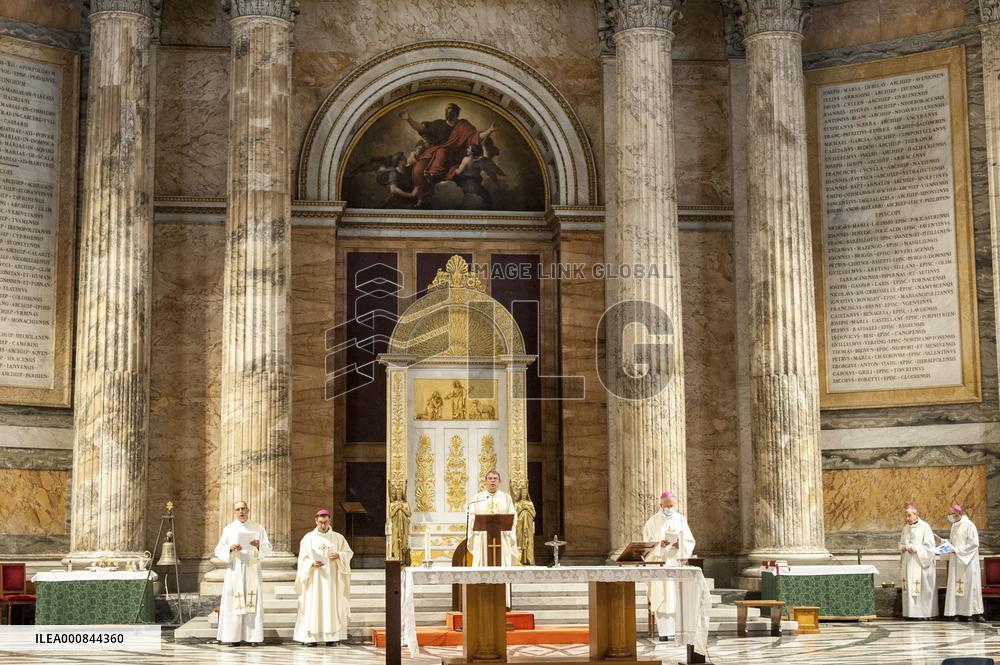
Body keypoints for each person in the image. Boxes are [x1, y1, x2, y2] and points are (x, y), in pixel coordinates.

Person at [214, 500, 272, 646]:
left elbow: (268, 547)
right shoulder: (229, 529)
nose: (241, 511)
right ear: (235, 512)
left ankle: (253, 638)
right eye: (238, 509)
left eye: (243, 509)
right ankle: (233, 638)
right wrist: (231, 548)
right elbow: (219, 549)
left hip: (252, 567)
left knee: (253, 601)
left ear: (248, 510)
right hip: (236, 569)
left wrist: (259, 545)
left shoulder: (258, 528)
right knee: (235, 602)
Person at [294, 509, 353, 646]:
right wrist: (311, 563)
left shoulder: (338, 538)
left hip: (332, 580)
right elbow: (302, 559)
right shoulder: (308, 538)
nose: (323, 525)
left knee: (331, 605)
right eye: (320, 522)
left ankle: (331, 638)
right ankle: (311, 639)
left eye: (325, 522)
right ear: (316, 521)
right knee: (314, 605)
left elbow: (348, 553)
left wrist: (339, 555)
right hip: (314, 579)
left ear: (330, 520)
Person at [642, 490, 695, 642]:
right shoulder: (652, 522)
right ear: (661, 505)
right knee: (663, 597)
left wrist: (680, 544)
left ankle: (679, 630)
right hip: (660, 564)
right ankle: (664, 632)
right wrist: (660, 545)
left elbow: (690, 541)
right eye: (666, 506)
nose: (669, 508)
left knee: (677, 597)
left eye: (671, 505)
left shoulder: (681, 520)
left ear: (675, 504)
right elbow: (647, 545)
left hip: (677, 563)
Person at [936, 503, 985, 621]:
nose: (950, 516)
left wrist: (957, 550)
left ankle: (972, 612)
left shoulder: (969, 525)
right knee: (956, 586)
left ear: (958, 513)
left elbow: (974, 544)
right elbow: (953, 543)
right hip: (956, 560)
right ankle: (957, 612)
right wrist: (941, 542)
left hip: (967, 562)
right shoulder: (954, 526)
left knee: (969, 586)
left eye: (951, 514)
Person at [467, 469, 518, 566]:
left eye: (495, 478)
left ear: (499, 482)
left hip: (502, 537)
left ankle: (502, 581)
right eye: (490, 478)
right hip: (483, 537)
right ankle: (482, 581)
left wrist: (508, 530)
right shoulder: (478, 498)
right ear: (486, 481)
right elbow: (471, 516)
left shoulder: (506, 498)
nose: (492, 481)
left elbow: (513, 516)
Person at [898, 503, 937, 619]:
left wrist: (917, 549)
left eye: (909, 515)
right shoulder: (905, 528)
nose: (907, 518)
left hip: (920, 563)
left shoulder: (925, 527)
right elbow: (901, 543)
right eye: (906, 516)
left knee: (921, 589)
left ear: (915, 515)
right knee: (909, 587)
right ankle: (910, 613)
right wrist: (903, 547)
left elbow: (930, 546)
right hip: (909, 563)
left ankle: (923, 614)